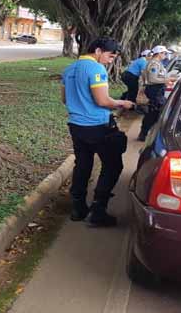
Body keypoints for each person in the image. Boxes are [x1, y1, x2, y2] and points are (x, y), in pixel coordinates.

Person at [61, 37, 134, 226]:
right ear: (99, 50)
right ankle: (98, 210)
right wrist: (122, 103)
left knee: (83, 164)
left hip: (76, 126)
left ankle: (78, 208)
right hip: (98, 126)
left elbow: (64, 99)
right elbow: (102, 101)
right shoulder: (96, 69)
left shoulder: (69, 69)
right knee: (112, 165)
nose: (111, 60)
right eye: (110, 56)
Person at [138, 45, 170, 141]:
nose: (165, 55)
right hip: (154, 91)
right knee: (153, 113)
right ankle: (145, 133)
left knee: (155, 113)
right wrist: (167, 80)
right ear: (159, 53)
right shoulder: (154, 64)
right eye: (164, 53)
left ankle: (147, 133)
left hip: (157, 91)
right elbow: (152, 79)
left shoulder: (156, 63)